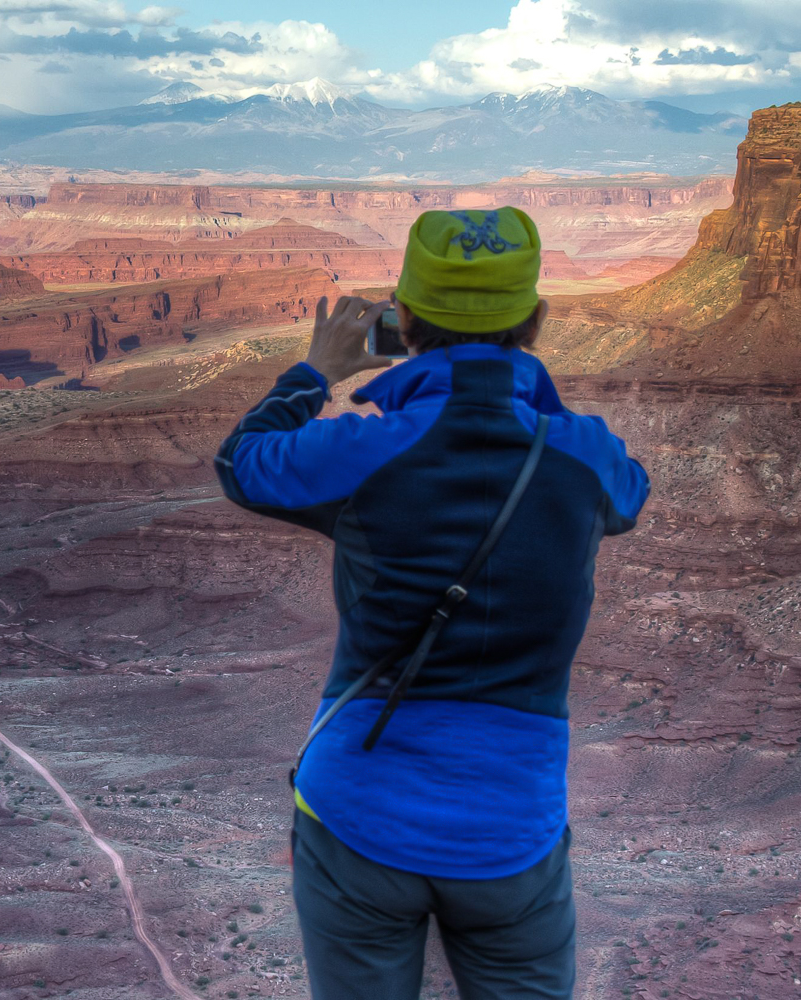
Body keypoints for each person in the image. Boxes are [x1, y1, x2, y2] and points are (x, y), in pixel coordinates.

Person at [212, 207, 650, 1000]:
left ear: (403, 322)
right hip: (513, 829)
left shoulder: (364, 449)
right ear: (538, 320)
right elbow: (631, 491)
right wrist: (521, 392)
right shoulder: (582, 457)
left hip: (358, 818)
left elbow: (241, 464)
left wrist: (316, 373)